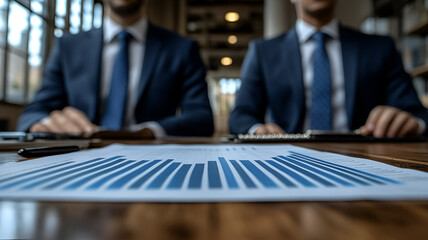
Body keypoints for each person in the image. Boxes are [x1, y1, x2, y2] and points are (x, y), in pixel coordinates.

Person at [229, 0, 428, 138]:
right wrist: (258, 130)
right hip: (286, 156)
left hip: (365, 158)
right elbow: (241, 116)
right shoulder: (263, 52)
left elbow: (417, 114)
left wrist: (411, 123)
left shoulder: (379, 48)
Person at [17, 0, 214, 137]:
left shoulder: (182, 49)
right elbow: (34, 112)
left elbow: (201, 118)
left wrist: (148, 132)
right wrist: (44, 124)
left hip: (152, 158)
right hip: (79, 157)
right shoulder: (68, 46)